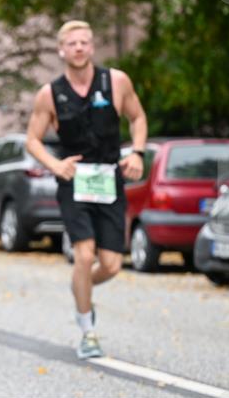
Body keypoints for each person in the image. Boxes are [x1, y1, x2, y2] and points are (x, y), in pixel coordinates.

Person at [26, 20, 147, 360]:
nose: (79, 47)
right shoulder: (50, 94)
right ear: (61, 50)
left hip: (109, 180)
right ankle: (87, 332)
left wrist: (136, 152)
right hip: (74, 181)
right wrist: (55, 165)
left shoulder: (116, 81)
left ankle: (82, 288)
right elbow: (32, 140)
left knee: (110, 265)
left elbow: (138, 118)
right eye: (72, 43)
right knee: (84, 254)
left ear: (92, 47)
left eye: (84, 42)